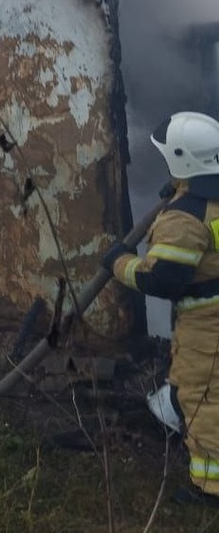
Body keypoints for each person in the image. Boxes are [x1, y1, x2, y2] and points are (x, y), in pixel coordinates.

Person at [103, 111, 219, 508]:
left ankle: (211, 490)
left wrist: (119, 262)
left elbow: (162, 281)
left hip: (208, 327)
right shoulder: (205, 204)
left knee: (203, 400)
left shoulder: (184, 218)